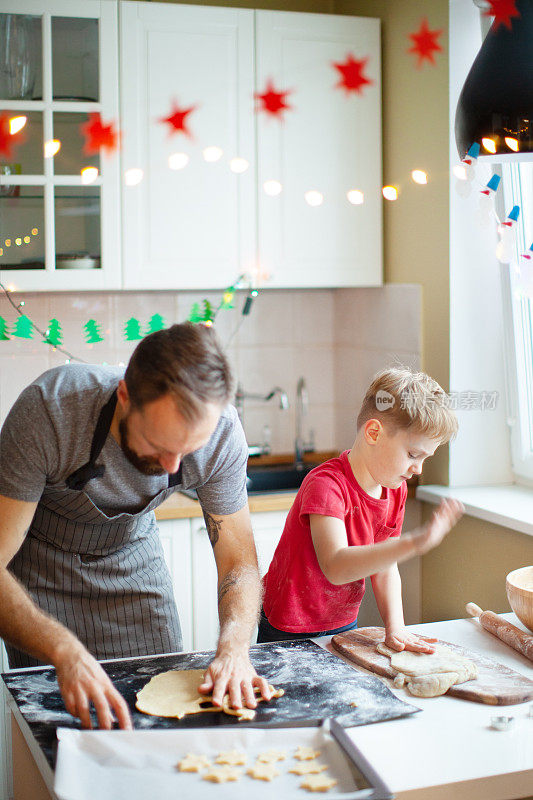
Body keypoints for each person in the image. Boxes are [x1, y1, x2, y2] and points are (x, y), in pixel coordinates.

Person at [0, 322, 271, 730]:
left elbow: (239, 562)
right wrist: (64, 651)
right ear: (124, 396)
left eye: (189, 449)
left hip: (133, 562)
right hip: (40, 576)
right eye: (160, 446)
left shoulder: (222, 435)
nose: (173, 466)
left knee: (158, 725)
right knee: (61, 730)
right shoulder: (50, 411)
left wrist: (234, 647)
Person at [259, 368, 464, 652]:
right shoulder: (326, 485)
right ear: (373, 432)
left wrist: (396, 627)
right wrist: (414, 543)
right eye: (413, 454)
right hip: (286, 626)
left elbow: (384, 566)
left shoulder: (395, 490)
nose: (418, 469)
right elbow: (336, 567)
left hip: (341, 620)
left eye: (424, 458)